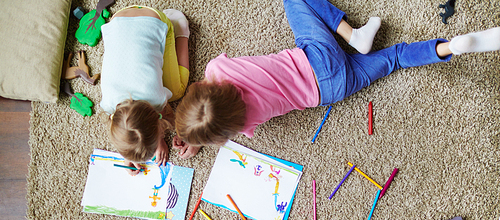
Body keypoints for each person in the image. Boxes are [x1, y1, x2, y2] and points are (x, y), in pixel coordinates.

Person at [173, 0, 500, 159]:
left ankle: (447, 48)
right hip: (318, 57)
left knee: (395, 59)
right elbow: (204, 92)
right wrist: (190, 113)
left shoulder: (244, 126)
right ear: (200, 87)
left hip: (331, 90)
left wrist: (199, 139)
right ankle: (352, 34)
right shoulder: (220, 70)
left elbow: (220, 127)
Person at [99, 5, 190, 174]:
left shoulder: (155, 98)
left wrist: (160, 139)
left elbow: (164, 113)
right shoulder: (108, 104)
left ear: (158, 120)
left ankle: (180, 29)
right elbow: (126, 126)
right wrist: (130, 155)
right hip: (118, 19)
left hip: (155, 19)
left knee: (177, 91)